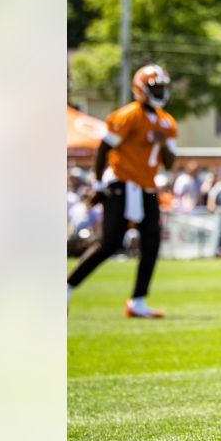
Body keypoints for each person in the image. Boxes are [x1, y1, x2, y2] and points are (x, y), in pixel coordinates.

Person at [66, 64, 177, 318]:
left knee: (152, 242)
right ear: (141, 89)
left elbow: (170, 162)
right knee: (110, 242)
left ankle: (137, 301)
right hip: (121, 182)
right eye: (155, 87)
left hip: (147, 186)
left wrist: (162, 144)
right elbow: (104, 149)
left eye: (162, 87)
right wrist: (97, 185)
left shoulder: (167, 122)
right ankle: (66, 288)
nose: (160, 91)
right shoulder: (128, 115)